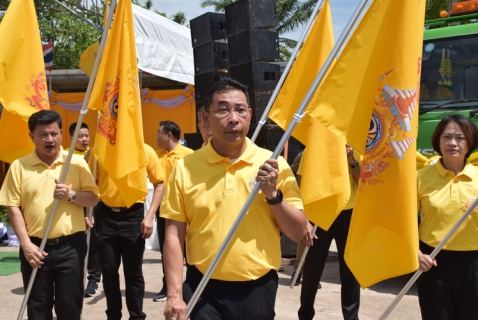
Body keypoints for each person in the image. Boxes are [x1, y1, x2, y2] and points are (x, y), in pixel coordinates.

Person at [161, 78, 307, 320]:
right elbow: (173, 235)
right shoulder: (185, 167)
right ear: (206, 118)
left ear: (249, 115)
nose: (233, 118)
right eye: (222, 109)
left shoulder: (273, 165)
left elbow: (298, 231)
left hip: (258, 289)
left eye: (240, 110)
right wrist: (174, 294)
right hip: (203, 288)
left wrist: (273, 195)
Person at [0, 110, 99, 319]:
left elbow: (93, 198)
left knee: (69, 307)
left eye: (54, 133)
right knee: (37, 307)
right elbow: (12, 206)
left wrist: (71, 195)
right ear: (32, 136)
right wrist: (26, 245)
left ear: (61, 133)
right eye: (43, 134)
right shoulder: (19, 166)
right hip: (35, 249)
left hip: (71, 247)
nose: (50, 139)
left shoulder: (76, 163)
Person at [416, 114, 478, 319]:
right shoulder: (420, 178)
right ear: (437, 141)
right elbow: (403, 221)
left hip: (474, 266)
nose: (453, 143)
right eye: (447, 137)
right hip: (433, 264)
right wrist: (415, 253)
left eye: (460, 137)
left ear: (470, 141)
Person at [94, 143, 165, 320]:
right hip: (105, 215)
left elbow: (160, 184)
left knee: (133, 272)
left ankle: (136, 316)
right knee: (109, 272)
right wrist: (90, 213)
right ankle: (113, 316)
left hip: (133, 216)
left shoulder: (145, 150)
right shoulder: (101, 149)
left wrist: (149, 217)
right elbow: (92, 183)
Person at [298, 145, 361, 320]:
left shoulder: (353, 148)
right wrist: (304, 218)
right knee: (312, 268)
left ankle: (351, 316)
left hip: (348, 213)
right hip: (320, 213)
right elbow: (301, 183)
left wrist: (352, 161)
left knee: (350, 270)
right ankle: (305, 314)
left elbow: (362, 183)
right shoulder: (313, 148)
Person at [153, 120, 193, 302]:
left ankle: (192, 285)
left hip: (187, 211)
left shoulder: (189, 155)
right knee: (167, 249)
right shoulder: (156, 156)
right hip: (165, 210)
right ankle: (167, 286)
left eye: (159, 133)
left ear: (169, 135)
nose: (156, 136)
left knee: (191, 249)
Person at [66, 122, 101, 297]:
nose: (85, 139)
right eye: (80, 136)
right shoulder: (65, 155)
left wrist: (90, 212)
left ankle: (93, 279)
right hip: (71, 203)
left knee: (93, 243)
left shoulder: (95, 154)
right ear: (71, 138)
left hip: (91, 202)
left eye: (87, 135)